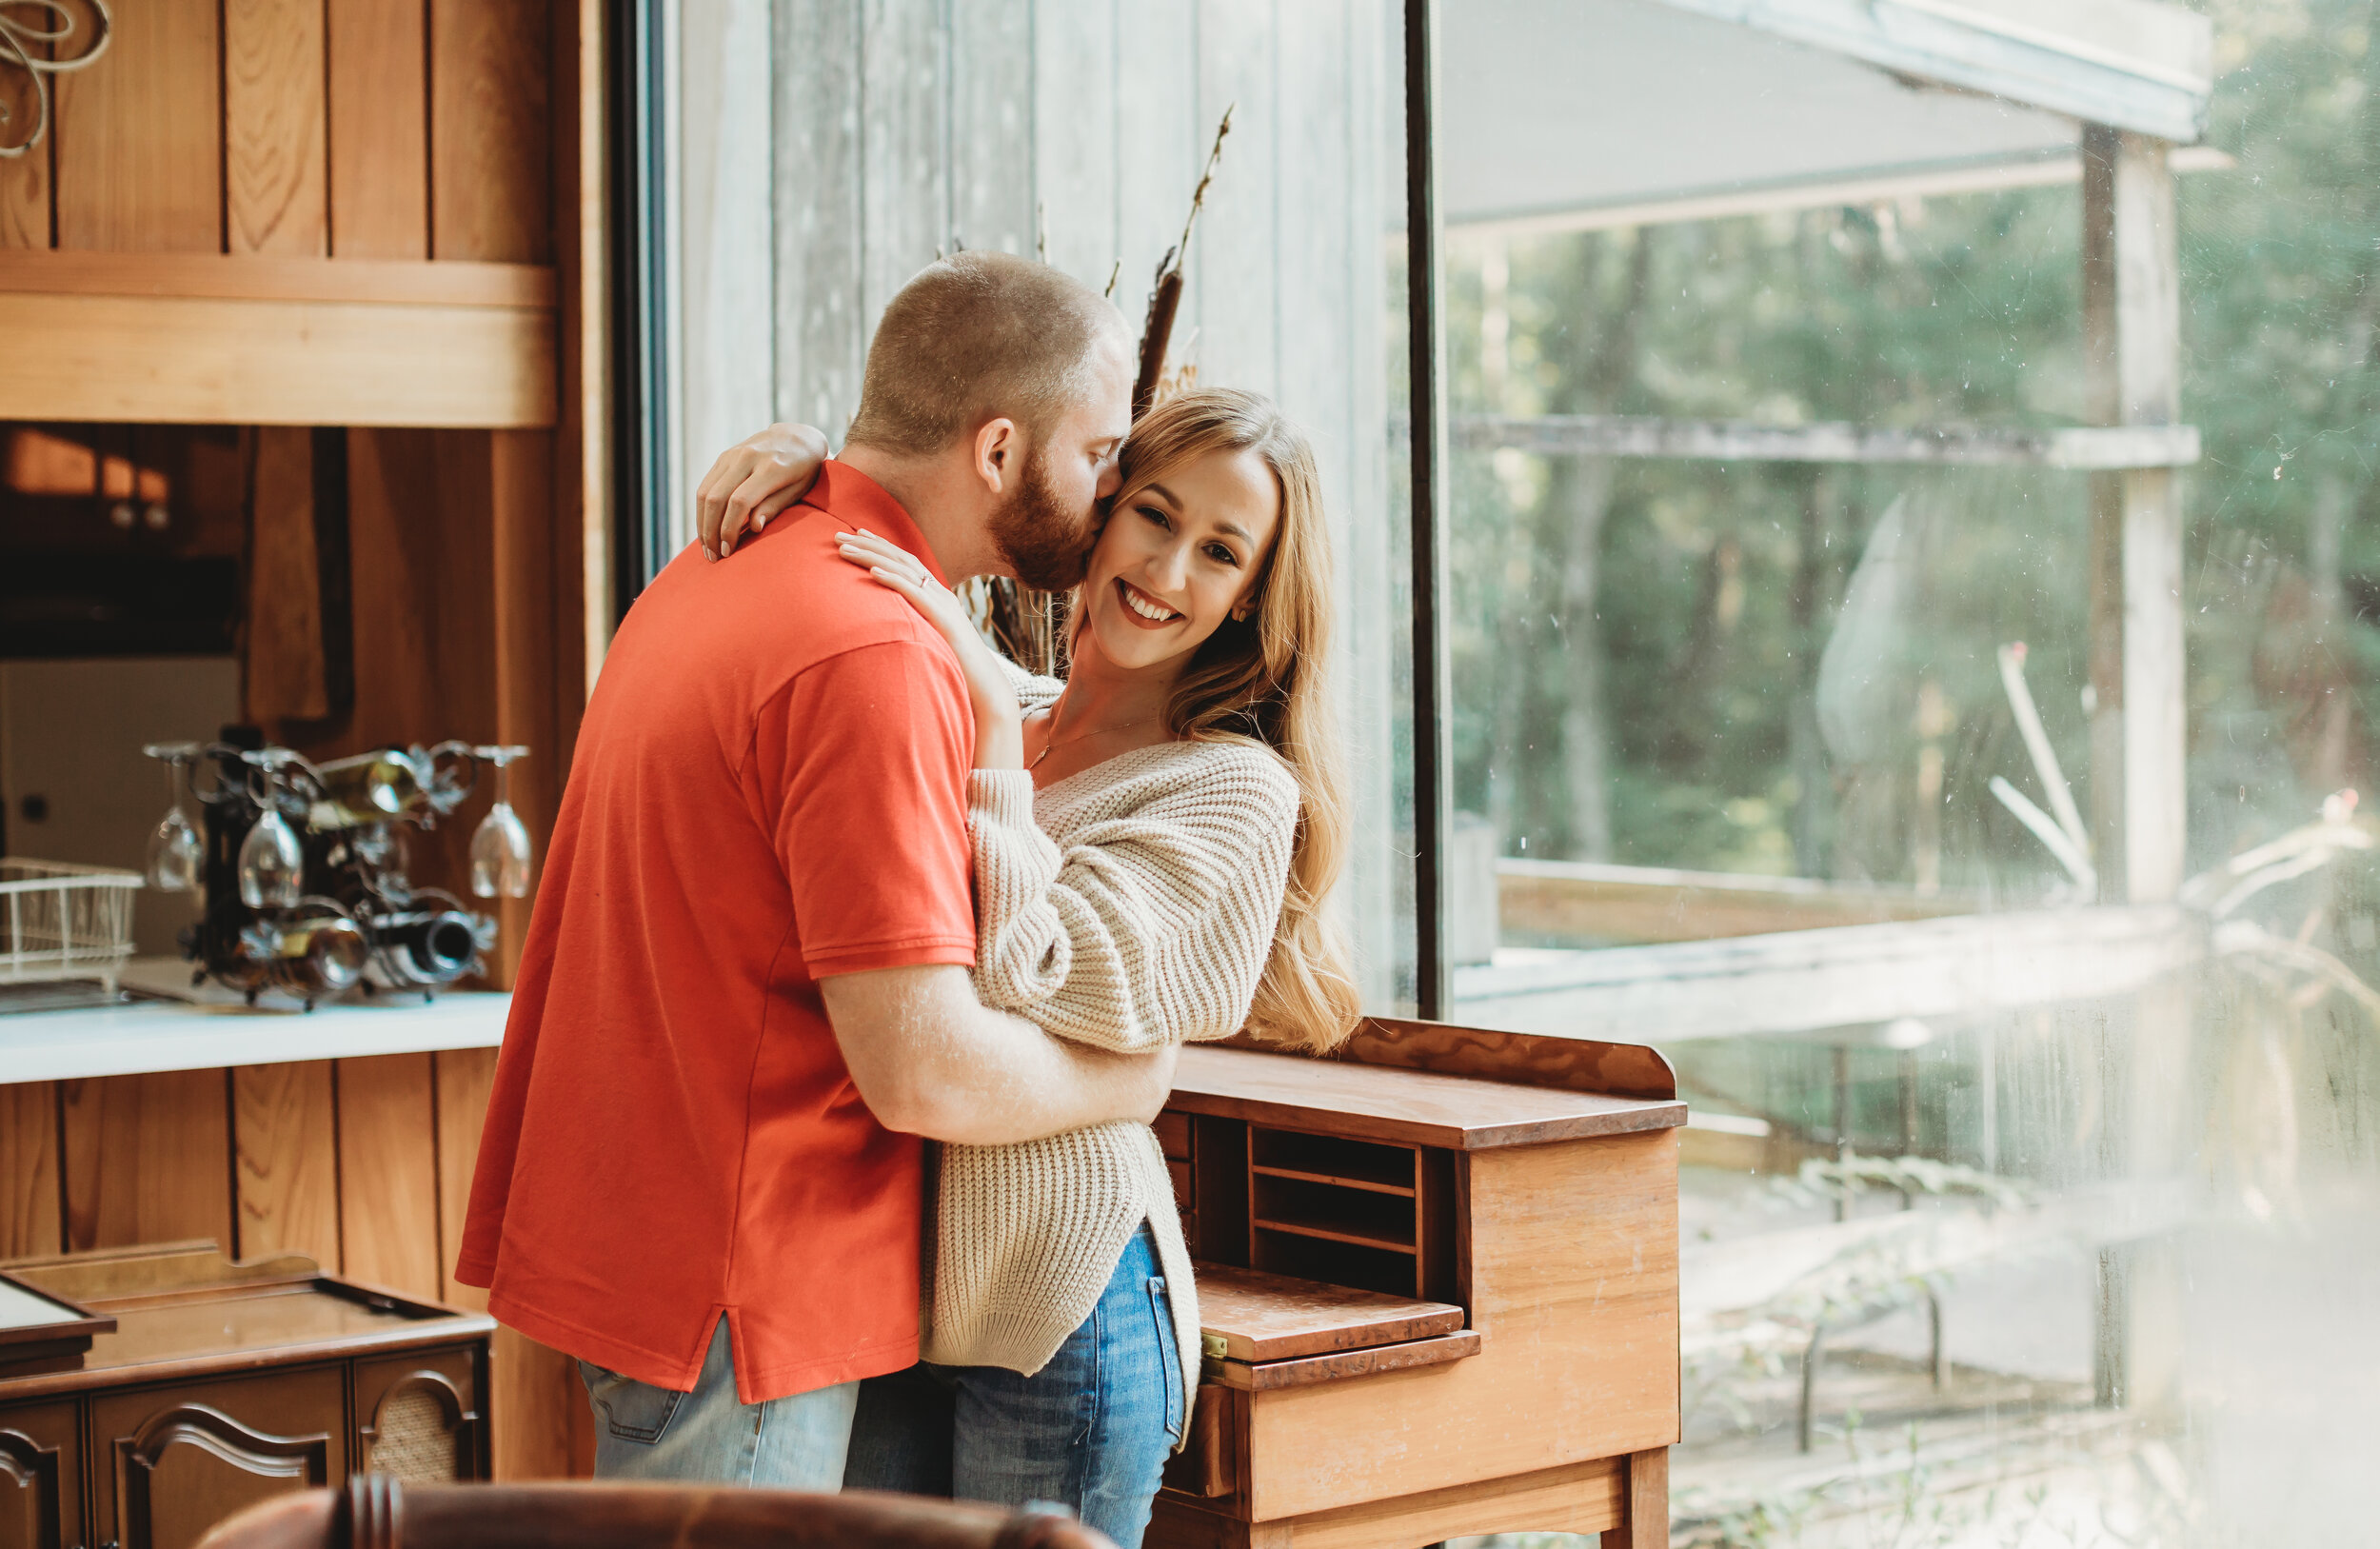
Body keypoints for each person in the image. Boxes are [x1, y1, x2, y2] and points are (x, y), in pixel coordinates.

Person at [453, 250, 1173, 1491]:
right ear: (998, 449)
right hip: (744, 1281)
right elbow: (921, 1066)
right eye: (1099, 452)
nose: (1111, 491)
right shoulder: (870, 654)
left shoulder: (723, 559)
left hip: (652, 1236)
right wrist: (1133, 1074)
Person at [696, 387, 1361, 1546]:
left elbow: (1032, 970)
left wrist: (996, 747)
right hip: (895, 1289)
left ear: (1252, 594)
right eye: (1154, 515)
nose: (1167, 569)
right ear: (1100, 509)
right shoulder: (993, 698)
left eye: (1219, 552)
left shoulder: (1229, 785)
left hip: (1068, 1308)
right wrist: (810, 457)